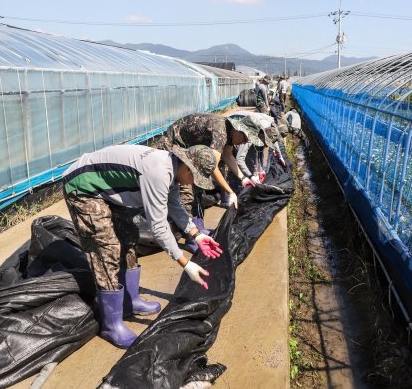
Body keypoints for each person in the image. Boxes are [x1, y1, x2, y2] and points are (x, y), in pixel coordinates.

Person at [63, 143, 222, 349]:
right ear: (187, 167)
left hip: (105, 187)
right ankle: (111, 325)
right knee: (107, 248)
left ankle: (129, 301)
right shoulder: (158, 173)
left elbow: (174, 207)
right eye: (195, 178)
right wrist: (185, 263)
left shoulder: (173, 170)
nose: (194, 184)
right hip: (83, 187)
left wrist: (197, 235)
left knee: (129, 237)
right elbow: (158, 227)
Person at [156, 112, 264, 213]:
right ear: (238, 129)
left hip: (189, 148)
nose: (243, 143)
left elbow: (228, 155)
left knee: (198, 185)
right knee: (186, 189)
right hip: (172, 144)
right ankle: (185, 228)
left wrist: (243, 178)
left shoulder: (230, 132)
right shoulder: (221, 131)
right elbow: (213, 168)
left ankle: (194, 216)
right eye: (245, 138)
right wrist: (230, 192)